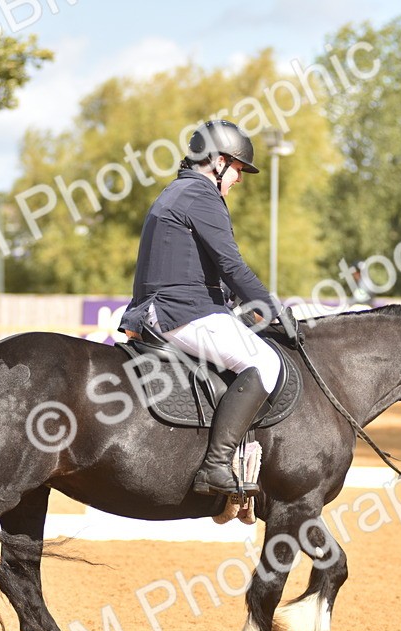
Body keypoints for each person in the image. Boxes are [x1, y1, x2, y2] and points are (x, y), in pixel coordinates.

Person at [119, 119, 297, 497]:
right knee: (265, 363)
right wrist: (272, 308)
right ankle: (215, 466)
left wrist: (239, 306)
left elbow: (199, 268)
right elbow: (232, 265)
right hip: (180, 312)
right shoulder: (201, 195)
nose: (240, 179)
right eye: (237, 168)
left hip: (164, 307)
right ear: (218, 162)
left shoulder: (178, 191)